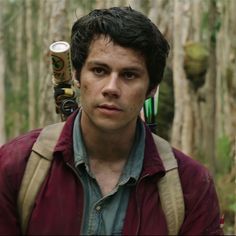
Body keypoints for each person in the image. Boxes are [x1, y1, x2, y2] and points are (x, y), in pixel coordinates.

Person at [0, 6, 223, 235]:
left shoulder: (191, 187)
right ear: (77, 76)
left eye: (129, 75)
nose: (111, 88)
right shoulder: (15, 166)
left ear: (151, 88)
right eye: (99, 70)